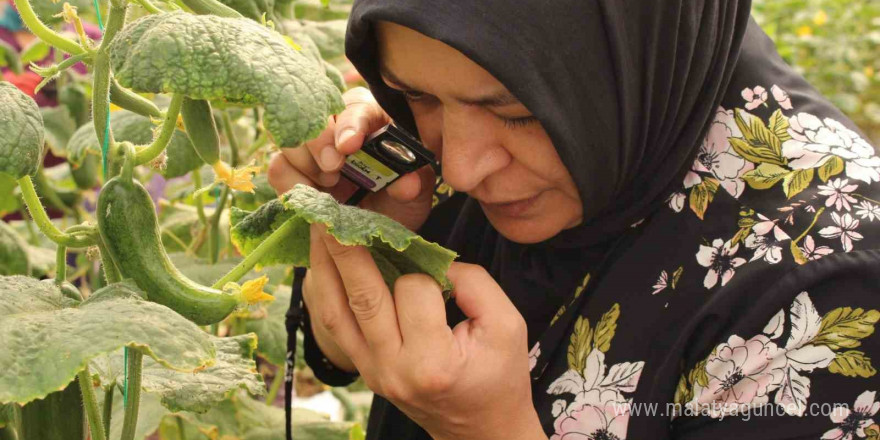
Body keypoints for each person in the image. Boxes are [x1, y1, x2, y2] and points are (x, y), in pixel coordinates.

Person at [268, 1, 880, 439]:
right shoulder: (633, 90)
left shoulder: (832, 285)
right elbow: (335, 352)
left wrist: (482, 431)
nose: (461, 165)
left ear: (627, 69)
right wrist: (378, 244)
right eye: (418, 94)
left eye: (514, 111)